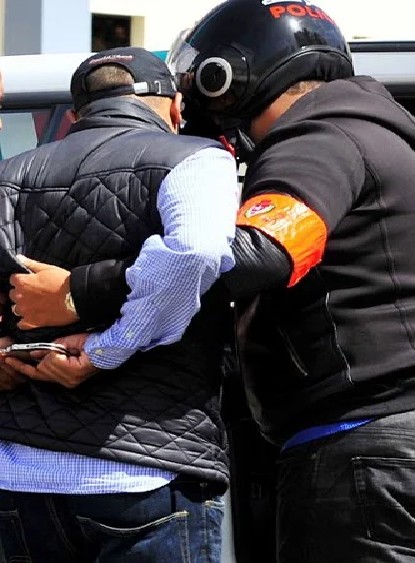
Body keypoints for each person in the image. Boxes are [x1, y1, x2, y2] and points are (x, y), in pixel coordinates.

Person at [9, 1, 415, 562]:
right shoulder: (401, 154)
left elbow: (254, 254)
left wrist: (80, 292)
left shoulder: (320, 139)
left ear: (225, 76)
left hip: (373, 444)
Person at [0, 47, 240, 562]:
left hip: (20, 477)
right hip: (144, 474)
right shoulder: (194, 157)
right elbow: (195, 251)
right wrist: (107, 348)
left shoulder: (11, 173)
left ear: (75, 115)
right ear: (175, 107)